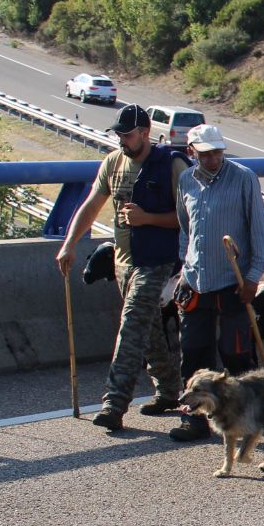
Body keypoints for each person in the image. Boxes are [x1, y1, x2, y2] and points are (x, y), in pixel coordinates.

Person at [53, 104, 186, 432]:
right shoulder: (112, 163)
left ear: (144, 132)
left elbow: (189, 218)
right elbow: (91, 205)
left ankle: (114, 402)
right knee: (148, 328)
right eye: (118, 135)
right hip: (123, 263)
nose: (121, 140)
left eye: (127, 135)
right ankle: (170, 390)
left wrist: (148, 219)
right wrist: (69, 244)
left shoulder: (172, 165)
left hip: (159, 263)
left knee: (131, 326)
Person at [170, 122, 264, 443]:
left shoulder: (243, 179)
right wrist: (184, 268)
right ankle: (195, 421)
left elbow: (259, 231)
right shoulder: (186, 180)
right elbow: (185, 229)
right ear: (192, 153)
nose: (213, 158)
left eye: (217, 152)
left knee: (236, 355)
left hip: (233, 280)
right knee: (193, 353)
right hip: (196, 280)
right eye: (205, 153)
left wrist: (253, 277)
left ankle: (250, 417)